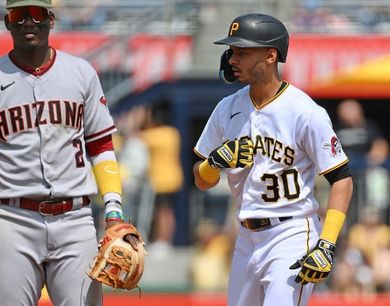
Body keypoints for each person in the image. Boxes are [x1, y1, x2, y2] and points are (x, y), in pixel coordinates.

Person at [193, 13, 353, 306]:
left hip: (291, 232)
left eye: (242, 52)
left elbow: (342, 180)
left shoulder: (305, 111)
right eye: (232, 51)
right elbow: (200, 180)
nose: (232, 59)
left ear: (270, 56)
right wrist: (211, 164)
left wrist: (326, 244)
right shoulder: (226, 108)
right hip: (244, 237)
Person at [0, 0, 141, 304]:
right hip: (12, 219)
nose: (28, 22)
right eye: (18, 14)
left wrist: (114, 211)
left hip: (75, 218)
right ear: (7, 22)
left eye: (36, 13)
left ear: (51, 20)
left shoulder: (81, 72)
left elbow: (101, 145)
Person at [141, 99, 184, 253]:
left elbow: (137, 136)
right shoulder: (173, 133)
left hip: (161, 180)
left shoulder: (154, 135)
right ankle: (166, 240)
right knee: (167, 211)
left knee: (162, 212)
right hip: (173, 177)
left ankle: (163, 241)